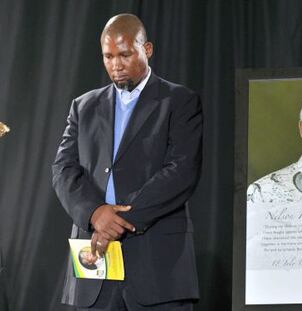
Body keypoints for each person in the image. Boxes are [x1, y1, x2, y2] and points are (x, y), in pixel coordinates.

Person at [52, 13, 202, 311]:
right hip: (95, 263)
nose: (116, 64)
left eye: (124, 54)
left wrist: (117, 222)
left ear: (146, 50)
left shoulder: (179, 101)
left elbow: (181, 171)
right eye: (108, 56)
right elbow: (63, 169)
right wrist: (95, 214)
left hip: (158, 264)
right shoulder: (83, 106)